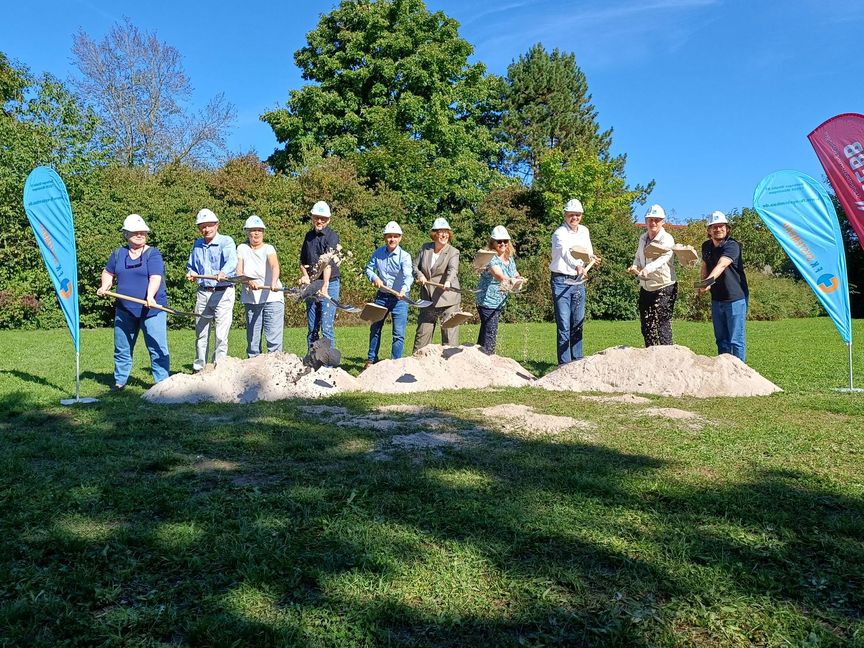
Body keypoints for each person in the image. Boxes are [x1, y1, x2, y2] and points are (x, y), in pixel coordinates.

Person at [97, 214, 170, 391]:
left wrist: (150, 297)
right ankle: (119, 382)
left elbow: (155, 277)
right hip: (125, 309)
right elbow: (108, 272)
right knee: (122, 347)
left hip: (151, 310)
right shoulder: (118, 254)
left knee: (157, 347)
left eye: (142, 232)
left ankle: (163, 384)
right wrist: (105, 286)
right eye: (135, 232)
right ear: (126, 234)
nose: (139, 235)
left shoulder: (153, 254)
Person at [185, 208, 237, 371]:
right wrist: (191, 273)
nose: (206, 229)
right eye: (202, 226)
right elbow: (192, 265)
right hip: (203, 292)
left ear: (216, 225)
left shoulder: (226, 242)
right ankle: (199, 367)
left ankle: (218, 367)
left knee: (221, 334)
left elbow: (231, 262)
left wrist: (224, 272)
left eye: (209, 225)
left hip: (223, 291)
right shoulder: (197, 244)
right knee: (201, 332)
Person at [549, 198, 598, 364]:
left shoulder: (584, 231)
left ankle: (577, 361)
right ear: (565, 215)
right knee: (564, 324)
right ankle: (564, 364)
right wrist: (577, 265)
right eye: (571, 215)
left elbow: (586, 251)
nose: (574, 218)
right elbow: (564, 253)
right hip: (561, 281)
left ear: (581, 215)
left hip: (578, 281)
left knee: (578, 322)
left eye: (577, 215)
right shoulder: (559, 234)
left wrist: (591, 258)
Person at [698, 210, 749, 362]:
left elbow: (721, 265)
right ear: (709, 230)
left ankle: (740, 373)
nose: (718, 229)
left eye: (721, 226)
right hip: (717, 299)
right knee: (721, 339)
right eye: (714, 227)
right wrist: (701, 284)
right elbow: (705, 265)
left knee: (736, 340)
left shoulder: (732, 245)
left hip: (735, 298)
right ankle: (724, 372)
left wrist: (708, 282)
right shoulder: (706, 246)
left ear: (727, 229)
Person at [627, 204, 678, 346]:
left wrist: (648, 268)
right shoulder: (642, 238)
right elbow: (638, 256)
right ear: (646, 221)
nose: (653, 223)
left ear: (662, 222)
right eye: (650, 219)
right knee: (647, 324)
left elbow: (663, 258)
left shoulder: (667, 239)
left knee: (662, 321)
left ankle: (667, 355)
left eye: (657, 220)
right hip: (646, 286)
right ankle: (651, 354)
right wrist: (635, 266)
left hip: (664, 286)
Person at [364, 221, 413, 368]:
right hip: (382, 296)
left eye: (395, 236)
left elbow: (408, 276)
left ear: (400, 238)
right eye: (389, 236)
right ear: (385, 237)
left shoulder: (404, 256)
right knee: (375, 328)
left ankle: (396, 364)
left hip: (400, 298)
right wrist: (375, 278)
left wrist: (403, 290)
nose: (392, 239)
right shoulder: (378, 253)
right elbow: (369, 269)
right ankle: (371, 360)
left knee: (398, 333)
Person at [235, 215, 284, 357]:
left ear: (263, 232)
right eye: (253, 230)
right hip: (252, 298)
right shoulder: (242, 248)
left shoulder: (269, 248)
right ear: (247, 232)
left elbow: (274, 266)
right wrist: (248, 281)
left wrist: (273, 282)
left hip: (272, 297)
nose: (256, 233)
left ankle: (275, 366)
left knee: (273, 339)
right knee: (253, 341)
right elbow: (239, 271)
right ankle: (253, 370)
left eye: (259, 230)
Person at [412, 217, 461, 352]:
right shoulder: (425, 248)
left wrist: (448, 281)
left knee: (449, 337)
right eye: (441, 231)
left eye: (447, 232)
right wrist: (420, 275)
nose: (444, 235)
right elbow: (414, 267)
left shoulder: (453, 252)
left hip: (448, 297)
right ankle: (417, 365)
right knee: (422, 335)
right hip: (428, 298)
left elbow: (453, 269)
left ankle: (450, 366)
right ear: (434, 234)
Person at [299, 200, 341, 352]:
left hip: (330, 282)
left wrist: (325, 286)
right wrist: (305, 277)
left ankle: (328, 365)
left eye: (323, 218)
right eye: (317, 217)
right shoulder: (308, 236)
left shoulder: (332, 236)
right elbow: (302, 262)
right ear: (312, 218)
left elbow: (327, 262)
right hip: (313, 283)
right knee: (312, 327)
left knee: (326, 325)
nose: (319, 221)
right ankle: (312, 360)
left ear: (328, 220)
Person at [475, 225, 520, 354]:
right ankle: (488, 355)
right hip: (487, 300)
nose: (502, 244)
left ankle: (478, 355)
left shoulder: (509, 258)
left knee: (486, 329)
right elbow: (498, 275)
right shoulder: (490, 257)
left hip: (499, 300)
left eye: (505, 241)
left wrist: (519, 277)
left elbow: (514, 272)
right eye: (499, 241)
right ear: (492, 242)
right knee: (491, 331)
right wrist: (512, 281)